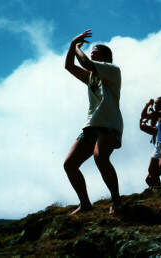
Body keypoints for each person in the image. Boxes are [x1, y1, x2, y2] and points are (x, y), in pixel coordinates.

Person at [63, 30, 124, 215]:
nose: (92, 53)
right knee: (70, 164)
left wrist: (76, 47)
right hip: (91, 124)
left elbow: (85, 62)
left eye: (96, 51)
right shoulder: (91, 76)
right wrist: (72, 45)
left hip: (109, 123)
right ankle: (85, 203)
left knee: (100, 157)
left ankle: (116, 200)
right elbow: (69, 66)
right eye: (92, 51)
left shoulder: (112, 69)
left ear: (106, 56)